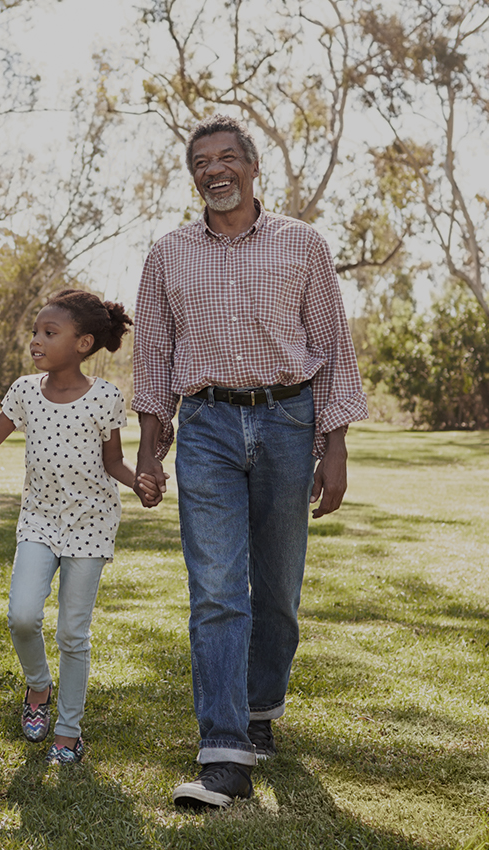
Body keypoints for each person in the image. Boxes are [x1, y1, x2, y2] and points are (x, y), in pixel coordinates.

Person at [132, 115, 368, 808]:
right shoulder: (168, 253)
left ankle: (261, 709)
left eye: (227, 157)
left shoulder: (304, 244)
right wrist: (152, 443)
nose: (215, 170)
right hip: (206, 424)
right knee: (216, 591)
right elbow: (152, 358)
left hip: (289, 420)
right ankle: (224, 751)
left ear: (253, 166)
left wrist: (336, 447)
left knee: (279, 592)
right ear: (193, 175)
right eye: (201, 161)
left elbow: (332, 347)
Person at [0, 289, 165, 764]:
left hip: (91, 524)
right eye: (35, 332)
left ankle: (68, 731)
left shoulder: (107, 397)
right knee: (22, 616)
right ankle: (37, 685)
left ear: (84, 343)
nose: (36, 341)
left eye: (49, 333)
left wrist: (139, 485)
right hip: (39, 520)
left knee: (74, 633)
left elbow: (113, 460)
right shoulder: (25, 391)